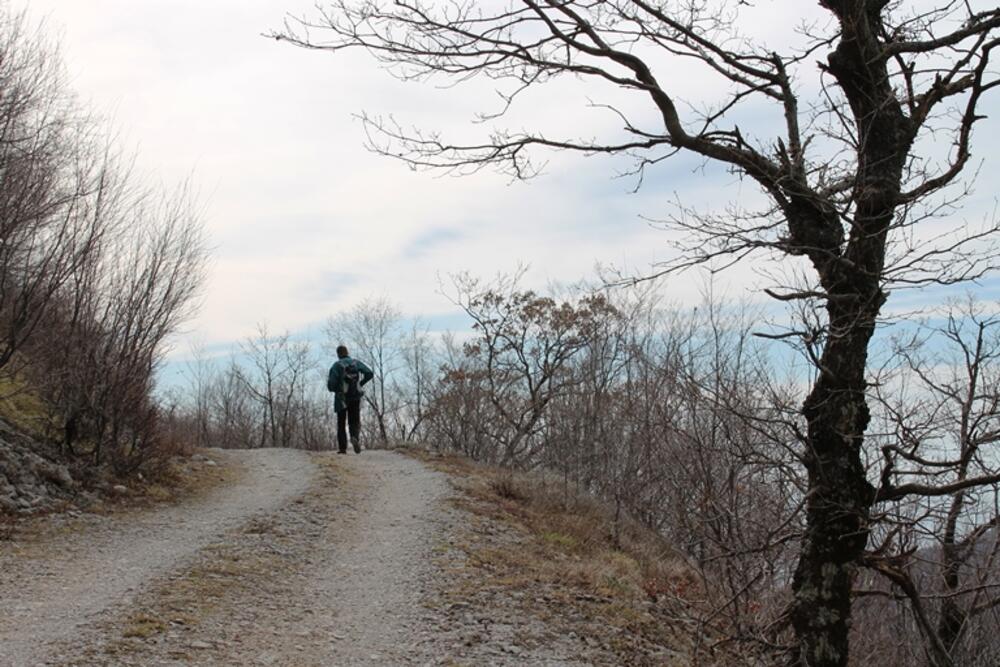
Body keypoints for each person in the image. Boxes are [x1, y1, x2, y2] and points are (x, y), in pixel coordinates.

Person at [327, 345, 374, 454]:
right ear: (347, 352)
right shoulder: (355, 363)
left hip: (341, 398)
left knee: (341, 422)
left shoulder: (336, 365)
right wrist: (360, 384)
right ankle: (355, 437)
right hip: (355, 395)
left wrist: (334, 389)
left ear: (338, 354)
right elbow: (369, 373)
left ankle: (342, 448)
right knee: (354, 420)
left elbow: (331, 384)